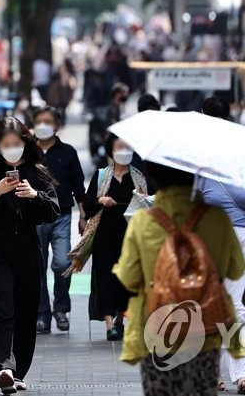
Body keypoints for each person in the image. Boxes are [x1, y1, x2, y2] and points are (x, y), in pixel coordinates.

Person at [114, 162, 245, 395]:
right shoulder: (216, 218)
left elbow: (128, 277)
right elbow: (235, 270)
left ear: (154, 176)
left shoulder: (143, 221)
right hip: (205, 328)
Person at [0, 117, 60, 394]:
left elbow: (53, 210)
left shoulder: (38, 171)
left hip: (28, 251)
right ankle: (4, 368)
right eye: (5, 145)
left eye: (16, 144)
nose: (11, 149)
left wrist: (34, 195)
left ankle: (18, 372)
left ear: (25, 143)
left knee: (26, 311)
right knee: (2, 308)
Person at [200, 92, 245, 394]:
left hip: (239, 238)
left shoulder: (241, 153)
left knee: (236, 306)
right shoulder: (193, 160)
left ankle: (242, 375)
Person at [81, 135, 148, 341]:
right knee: (105, 278)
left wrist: (143, 200)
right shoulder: (102, 176)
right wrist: (101, 200)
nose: (124, 150)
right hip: (105, 236)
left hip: (132, 236)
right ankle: (110, 324)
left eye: (128, 146)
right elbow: (88, 203)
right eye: (120, 146)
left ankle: (120, 321)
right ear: (111, 150)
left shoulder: (139, 177)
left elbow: (153, 205)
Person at [32, 106, 86, 333]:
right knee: (37, 266)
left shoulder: (68, 152)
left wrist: (83, 216)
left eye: (48, 121)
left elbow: (78, 186)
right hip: (34, 217)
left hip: (62, 215)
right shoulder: (27, 152)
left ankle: (61, 308)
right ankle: (41, 315)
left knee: (63, 264)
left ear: (57, 125)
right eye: (39, 121)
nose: (43, 125)